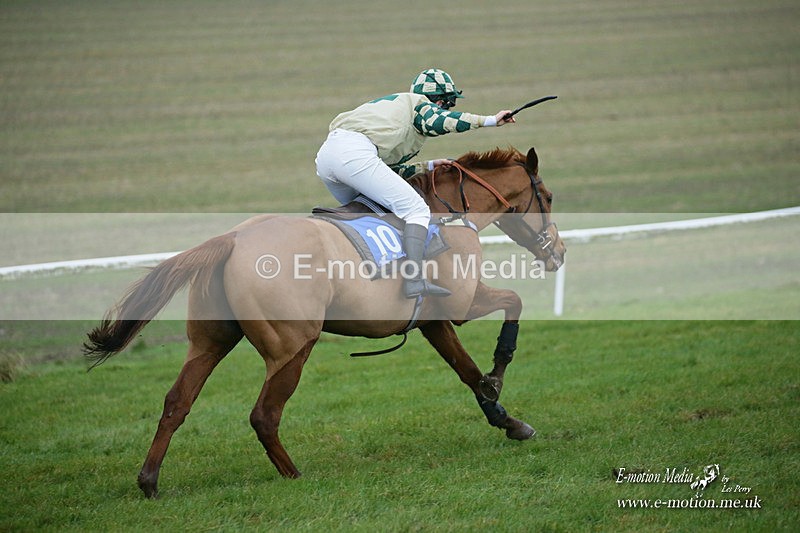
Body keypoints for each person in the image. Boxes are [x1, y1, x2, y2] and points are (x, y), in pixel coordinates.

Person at [315, 68, 515, 298]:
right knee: (417, 210)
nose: (446, 108)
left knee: (374, 209)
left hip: (327, 158)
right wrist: (489, 120)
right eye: (447, 103)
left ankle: (370, 271)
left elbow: (388, 172)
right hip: (354, 155)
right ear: (440, 100)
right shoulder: (421, 105)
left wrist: (429, 166)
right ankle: (413, 280)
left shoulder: (394, 111)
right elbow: (441, 121)